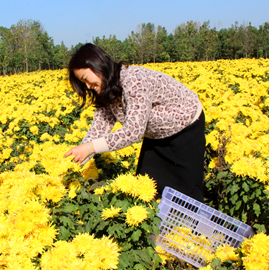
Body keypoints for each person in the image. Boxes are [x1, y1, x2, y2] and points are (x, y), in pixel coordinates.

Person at [64, 43, 206, 201]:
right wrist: (74, 164)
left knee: (185, 193)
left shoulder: (134, 79)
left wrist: (90, 148)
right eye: (82, 83)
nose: (88, 86)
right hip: (156, 134)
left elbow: (133, 131)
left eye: (86, 79)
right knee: (147, 187)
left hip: (186, 128)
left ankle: (192, 225)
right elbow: (99, 128)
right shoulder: (107, 89)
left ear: (98, 66)